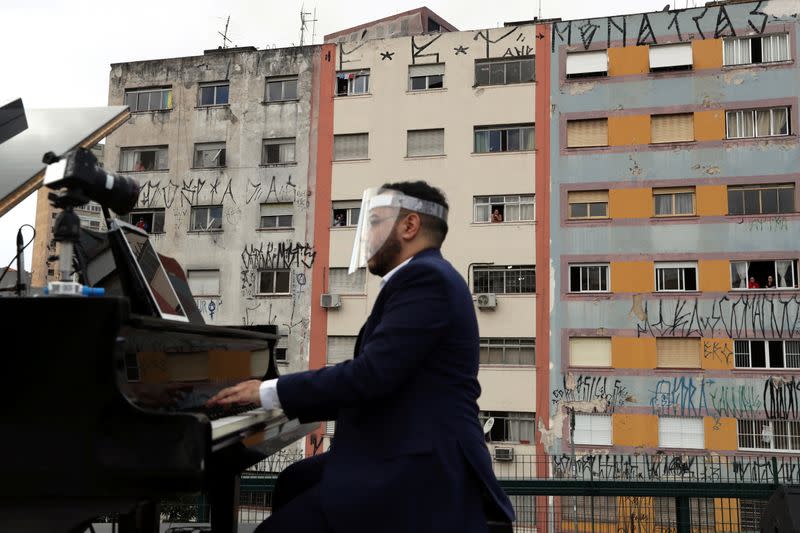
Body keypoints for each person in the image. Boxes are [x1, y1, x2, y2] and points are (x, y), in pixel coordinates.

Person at [207, 181, 515, 533]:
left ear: (409, 226)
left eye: (373, 222)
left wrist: (266, 393)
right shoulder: (424, 278)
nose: (366, 235)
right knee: (294, 481)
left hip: (422, 466)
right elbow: (377, 379)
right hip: (404, 446)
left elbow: (370, 376)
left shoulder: (426, 279)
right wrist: (282, 399)